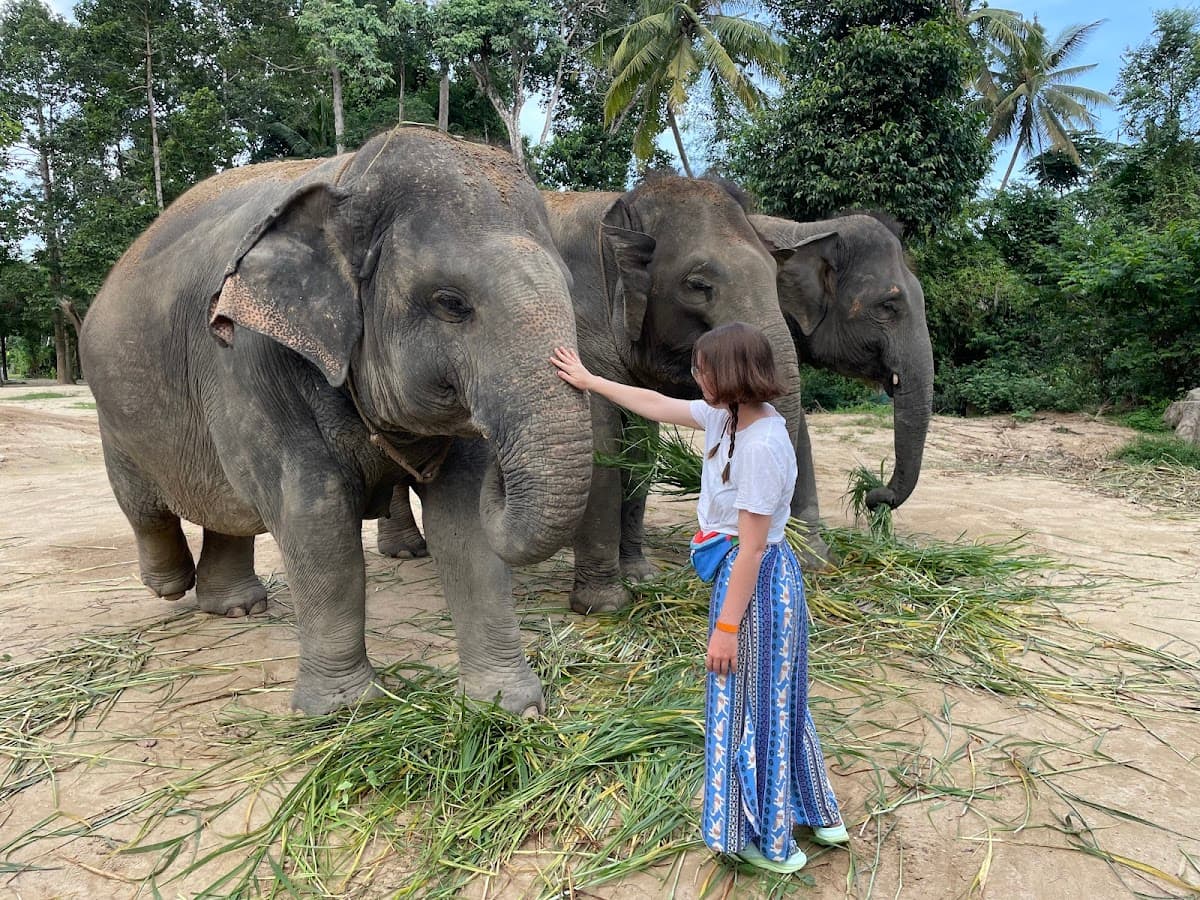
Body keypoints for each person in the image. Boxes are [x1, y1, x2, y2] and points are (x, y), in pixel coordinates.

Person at [551, 322, 846, 874]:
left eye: (702, 369)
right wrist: (592, 381)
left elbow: (755, 549)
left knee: (742, 708)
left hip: (755, 587)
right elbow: (657, 405)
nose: (695, 377)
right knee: (777, 701)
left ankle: (764, 839)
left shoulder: (761, 445)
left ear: (730, 374)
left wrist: (726, 628)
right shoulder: (727, 417)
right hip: (750, 577)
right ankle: (812, 810)